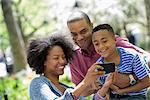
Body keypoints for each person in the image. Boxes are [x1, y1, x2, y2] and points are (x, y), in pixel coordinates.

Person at [67, 10, 150, 89]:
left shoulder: (111, 43)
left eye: (83, 31)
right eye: (74, 34)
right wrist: (91, 86)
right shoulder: (74, 58)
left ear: (91, 26)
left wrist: (131, 78)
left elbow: (147, 59)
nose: (79, 38)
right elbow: (80, 92)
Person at [27, 34, 114, 100]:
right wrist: (85, 83)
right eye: (56, 58)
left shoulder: (68, 88)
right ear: (43, 61)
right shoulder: (37, 84)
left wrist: (104, 89)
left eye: (64, 57)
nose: (62, 61)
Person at [92, 23, 150, 99]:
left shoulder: (132, 57)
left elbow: (146, 82)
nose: (101, 46)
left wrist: (122, 91)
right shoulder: (99, 65)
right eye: (96, 44)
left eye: (105, 41)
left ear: (115, 40)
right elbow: (104, 88)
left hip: (135, 96)